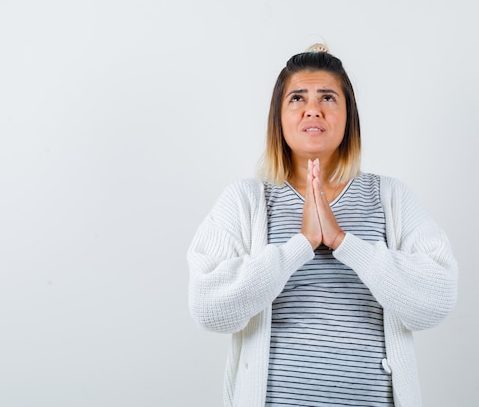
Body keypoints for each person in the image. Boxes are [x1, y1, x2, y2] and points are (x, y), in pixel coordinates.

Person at [187, 43, 458, 407]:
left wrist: (344, 243)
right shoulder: (246, 200)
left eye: (328, 97)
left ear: (349, 117)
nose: (312, 108)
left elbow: (437, 299)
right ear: (278, 118)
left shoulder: (390, 197)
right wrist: (300, 244)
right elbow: (208, 308)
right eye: (297, 98)